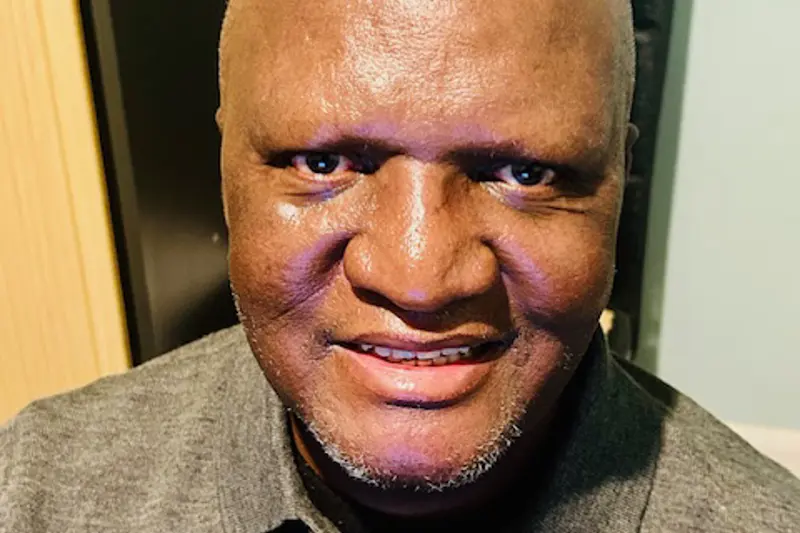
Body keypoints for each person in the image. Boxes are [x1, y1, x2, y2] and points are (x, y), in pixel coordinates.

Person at [2, 0, 798, 531]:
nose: (420, 278)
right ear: (224, 169)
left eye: (524, 173)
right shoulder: (37, 490)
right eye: (323, 162)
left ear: (620, 179)